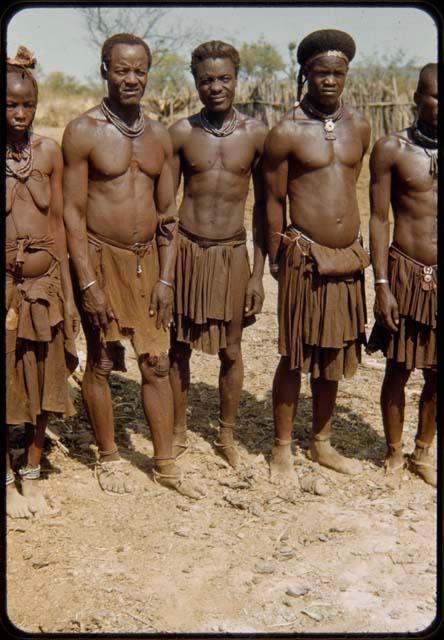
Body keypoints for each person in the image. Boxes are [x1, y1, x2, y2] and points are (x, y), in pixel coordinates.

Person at [62, 33, 204, 498]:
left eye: (139, 70)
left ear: (148, 73)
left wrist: (167, 278)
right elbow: (73, 214)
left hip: (149, 265)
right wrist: (86, 280)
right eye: (121, 70)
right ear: (104, 70)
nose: (131, 79)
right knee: (102, 361)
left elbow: (169, 217)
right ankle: (109, 457)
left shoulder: (159, 136)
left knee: (157, 363)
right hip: (101, 259)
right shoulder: (83, 132)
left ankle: (164, 463)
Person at [263, 29, 371, 483]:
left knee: (333, 353)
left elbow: (351, 184)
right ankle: (282, 448)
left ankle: (321, 443)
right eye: (320, 72)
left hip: (347, 258)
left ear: (347, 75)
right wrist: (275, 257)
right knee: (295, 352)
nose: (329, 80)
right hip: (303, 257)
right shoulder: (286, 130)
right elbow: (272, 199)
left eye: (337, 73)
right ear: (304, 74)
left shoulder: (360, 125)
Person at [168, 40, 268, 468]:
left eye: (224, 78)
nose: (215, 88)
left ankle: (226, 436)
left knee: (231, 349)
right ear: (195, 82)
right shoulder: (180, 133)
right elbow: (165, 211)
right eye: (206, 80)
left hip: (232, 252)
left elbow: (267, 210)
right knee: (178, 348)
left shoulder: (257, 134)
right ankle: (176, 430)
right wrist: (167, 274)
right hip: (188, 249)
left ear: (236, 80)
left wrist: (257, 275)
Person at [5, 47, 79, 518]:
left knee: (46, 376)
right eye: (9, 104)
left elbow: (59, 224)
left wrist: (67, 295)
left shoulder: (50, 151)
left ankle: (31, 468)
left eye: (27, 105)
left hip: (46, 285)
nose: (18, 112)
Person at [366, 64, 437, 487]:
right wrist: (382, 284)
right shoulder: (391, 148)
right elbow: (377, 219)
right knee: (398, 366)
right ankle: (393, 452)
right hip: (406, 271)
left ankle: (423, 451)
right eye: (434, 96)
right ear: (416, 98)